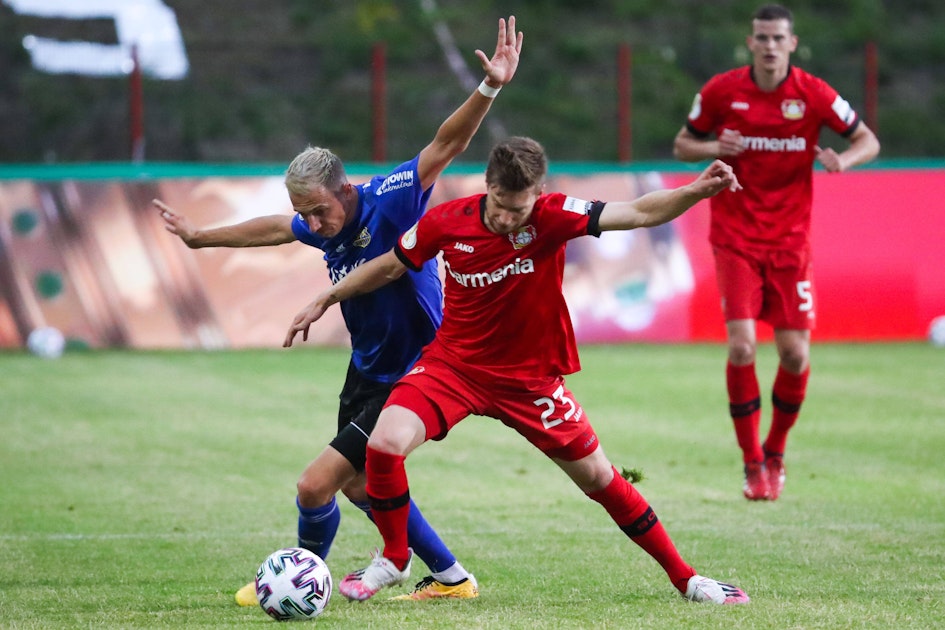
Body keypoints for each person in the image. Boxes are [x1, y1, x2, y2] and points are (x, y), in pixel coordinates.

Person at [285, 136, 750, 605]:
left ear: (539, 192)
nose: (509, 219)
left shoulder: (554, 214)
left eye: (520, 209)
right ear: (488, 187)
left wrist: (694, 190)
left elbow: (639, 213)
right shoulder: (446, 221)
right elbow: (390, 265)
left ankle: (687, 579)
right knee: (385, 443)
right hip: (454, 367)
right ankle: (397, 556)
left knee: (600, 479)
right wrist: (327, 298)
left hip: (529, 381)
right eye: (502, 206)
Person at [154, 16, 523, 603]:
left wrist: (489, 87)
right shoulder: (319, 222)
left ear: (345, 190)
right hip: (369, 368)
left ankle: (293, 581)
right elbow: (277, 227)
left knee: (314, 485)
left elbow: (445, 144)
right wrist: (202, 238)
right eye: (307, 213)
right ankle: (452, 578)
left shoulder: (390, 198)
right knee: (357, 488)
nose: (314, 224)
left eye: (320, 211)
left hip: (416, 370)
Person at [672, 4, 880, 501]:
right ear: (751, 43)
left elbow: (867, 140)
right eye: (761, 37)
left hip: (790, 243)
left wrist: (843, 159)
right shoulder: (723, 91)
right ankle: (751, 464)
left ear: (791, 44)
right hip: (735, 238)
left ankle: (776, 451)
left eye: (777, 38)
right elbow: (683, 145)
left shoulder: (812, 94)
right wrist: (716, 147)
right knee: (741, 346)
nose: (769, 46)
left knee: (794, 354)